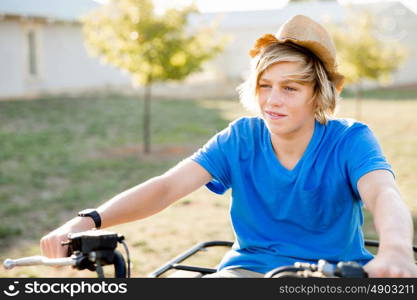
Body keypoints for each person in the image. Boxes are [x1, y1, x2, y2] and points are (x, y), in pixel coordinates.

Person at [40, 14, 417, 278]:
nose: (273, 100)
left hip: (333, 271)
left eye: (290, 88)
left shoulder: (350, 139)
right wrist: (85, 221)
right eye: (265, 85)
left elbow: (383, 194)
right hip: (246, 272)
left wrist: (397, 248)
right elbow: (167, 187)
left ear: (319, 94)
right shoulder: (241, 138)